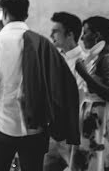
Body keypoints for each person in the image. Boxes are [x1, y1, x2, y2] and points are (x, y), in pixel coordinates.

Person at [0, 0, 49, 171]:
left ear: (4, 14)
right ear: (26, 15)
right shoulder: (41, 42)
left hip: (2, 123)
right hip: (36, 125)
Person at [69, 17, 109, 171]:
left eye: (85, 32)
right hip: (95, 121)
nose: (82, 37)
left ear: (97, 36)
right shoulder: (97, 58)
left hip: (104, 123)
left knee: (102, 163)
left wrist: (84, 74)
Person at [44, 12, 83, 171]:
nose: (51, 35)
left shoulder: (84, 62)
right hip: (53, 133)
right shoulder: (54, 60)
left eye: (56, 31)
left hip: (75, 134)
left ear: (70, 34)